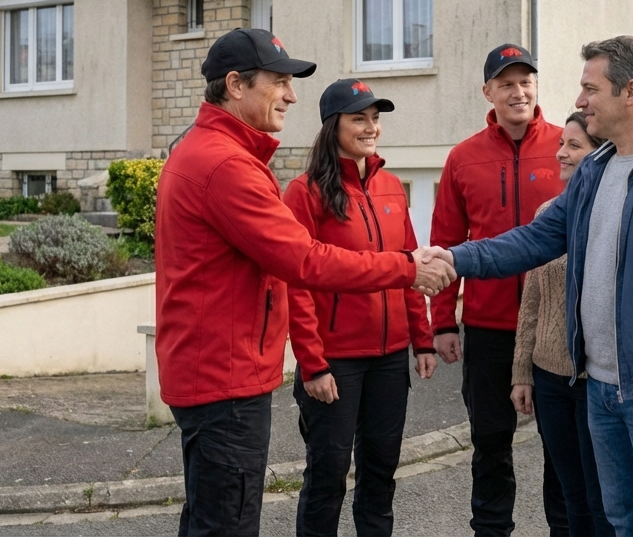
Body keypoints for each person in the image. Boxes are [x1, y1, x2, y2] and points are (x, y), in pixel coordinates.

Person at [426, 35, 633, 537]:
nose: (579, 101)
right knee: (621, 522)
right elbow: (536, 240)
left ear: (631, 92)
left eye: (590, 88)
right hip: (600, 388)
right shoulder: (595, 172)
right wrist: (454, 257)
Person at [154, 28, 455, 537]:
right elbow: (305, 262)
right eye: (279, 81)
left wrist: (417, 326)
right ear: (235, 85)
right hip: (224, 377)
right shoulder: (227, 165)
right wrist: (407, 267)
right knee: (229, 522)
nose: (292, 94)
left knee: (212, 518)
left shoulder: (213, 152)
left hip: (218, 371)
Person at [282, 79, 438, 536]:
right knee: (328, 478)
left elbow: (410, 266)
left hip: (390, 360)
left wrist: (422, 339)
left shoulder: (391, 186)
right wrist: (313, 365)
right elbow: (298, 283)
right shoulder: (305, 192)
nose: (371, 128)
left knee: (380, 474)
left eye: (375, 119)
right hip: (336, 362)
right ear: (334, 127)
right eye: (359, 119)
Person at [429, 43, 568, 536]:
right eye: (506, 83)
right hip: (488, 329)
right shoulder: (463, 158)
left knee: (562, 446)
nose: (519, 91)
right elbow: (446, 241)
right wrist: (442, 321)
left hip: (555, 328)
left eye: (526, 81)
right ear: (488, 91)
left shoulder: (567, 148)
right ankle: (491, 530)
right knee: (490, 441)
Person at [510, 112, 613, 537]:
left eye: (575, 146)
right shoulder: (548, 213)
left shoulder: (615, 215)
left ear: (599, 153)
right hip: (550, 377)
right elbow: (532, 299)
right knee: (569, 497)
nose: (561, 153)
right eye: (562, 144)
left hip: (598, 380)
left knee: (601, 499)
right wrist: (521, 372)